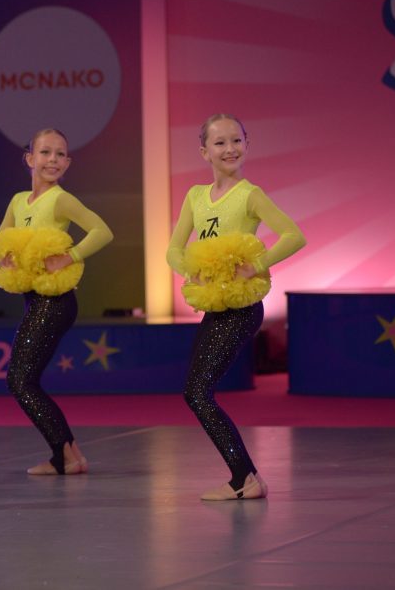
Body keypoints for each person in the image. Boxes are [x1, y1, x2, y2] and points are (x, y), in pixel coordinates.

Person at [166, 114, 305, 500]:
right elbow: (174, 249)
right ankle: (244, 477)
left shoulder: (249, 195)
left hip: (242, 308)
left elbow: (294, 235)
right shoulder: (195, 196)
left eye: (236, 141)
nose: (230, 149)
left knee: (197, 391)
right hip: (216, 306)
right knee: (194, 391)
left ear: (247, 144)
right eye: (220, 143)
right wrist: (191, 271)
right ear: (204, 152)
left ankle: (245, 478)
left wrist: (257, 264)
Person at [0, 128, 113, 476]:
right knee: (24, 380)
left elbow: (102, 231)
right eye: (45, 153)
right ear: (30, 158)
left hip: (55, 301)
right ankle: (68, 456)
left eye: (60, 154)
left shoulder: (61, 200)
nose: (53, 160)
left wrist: (69, 257)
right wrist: (5, 258)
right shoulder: (18, 201)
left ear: (68, 162)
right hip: (35, 299)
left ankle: (67, 455)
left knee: (19, 381)